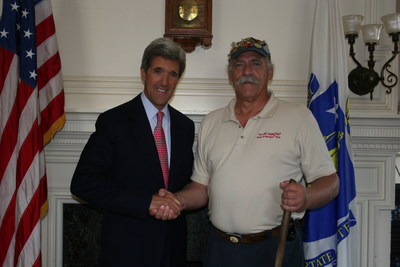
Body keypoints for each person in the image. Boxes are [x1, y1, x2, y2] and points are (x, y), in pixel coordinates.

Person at [150, 37, 339, 267]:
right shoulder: (212, 122)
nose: (247, 71)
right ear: (231, 74)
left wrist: (306, 197)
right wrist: (176, 200)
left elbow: (330, 182)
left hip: (275, 249)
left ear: (270, 73)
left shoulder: (298, 117)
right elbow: (201, 188)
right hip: (219, 250)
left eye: (256, 64)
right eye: (239, 65)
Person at [70, 37, 195, 267]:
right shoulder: (114, 121)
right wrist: (146, 202)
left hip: (173, 250)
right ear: (143, 73)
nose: (165, 81)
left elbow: (186, 183)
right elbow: (83, 183)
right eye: (158, 71)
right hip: (127, 251)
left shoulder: (185, 127)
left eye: (173, 74)